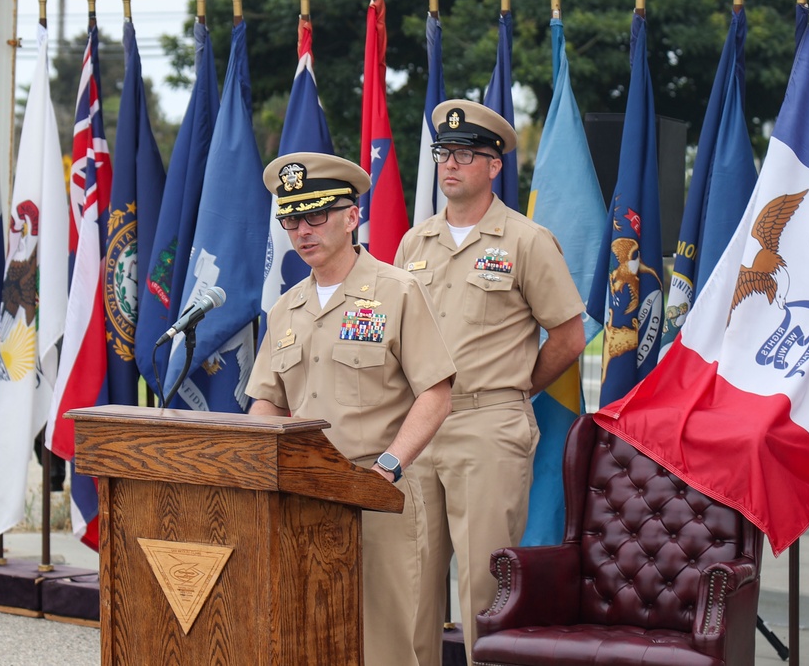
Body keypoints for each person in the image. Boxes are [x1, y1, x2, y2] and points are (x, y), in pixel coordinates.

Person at [394, 100, 587, 666]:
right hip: (418, 431)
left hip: (488, 427)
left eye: (463, 155)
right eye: (442, 154)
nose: (449, 165)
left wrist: (515, 390)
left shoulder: (526, 240)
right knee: (412, 588)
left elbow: (570, 337)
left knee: (484, 589)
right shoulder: (414, 243)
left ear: (493, 165)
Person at [246, 152, 456, 666]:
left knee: (383, 645)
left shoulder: (397, 291)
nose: (302, 230)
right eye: (291, 219)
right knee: (307, 635)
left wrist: (388, 468)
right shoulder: (285, 308)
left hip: (375, 489)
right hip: (303, 494)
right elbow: (267, 401)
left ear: (352, 216)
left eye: (315, 214)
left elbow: (436, 391)